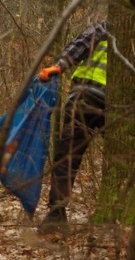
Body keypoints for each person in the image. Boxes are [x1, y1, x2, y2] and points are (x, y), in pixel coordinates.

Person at [36, 19, 108, 231]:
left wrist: (58, 66)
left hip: (87, 98)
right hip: (108, 104)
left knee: (67, 156)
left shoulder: (106, 27)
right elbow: (81, 45)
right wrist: (57, 67)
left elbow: (80, 45)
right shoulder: (116, 28)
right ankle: (57, 214)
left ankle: (56, 213)